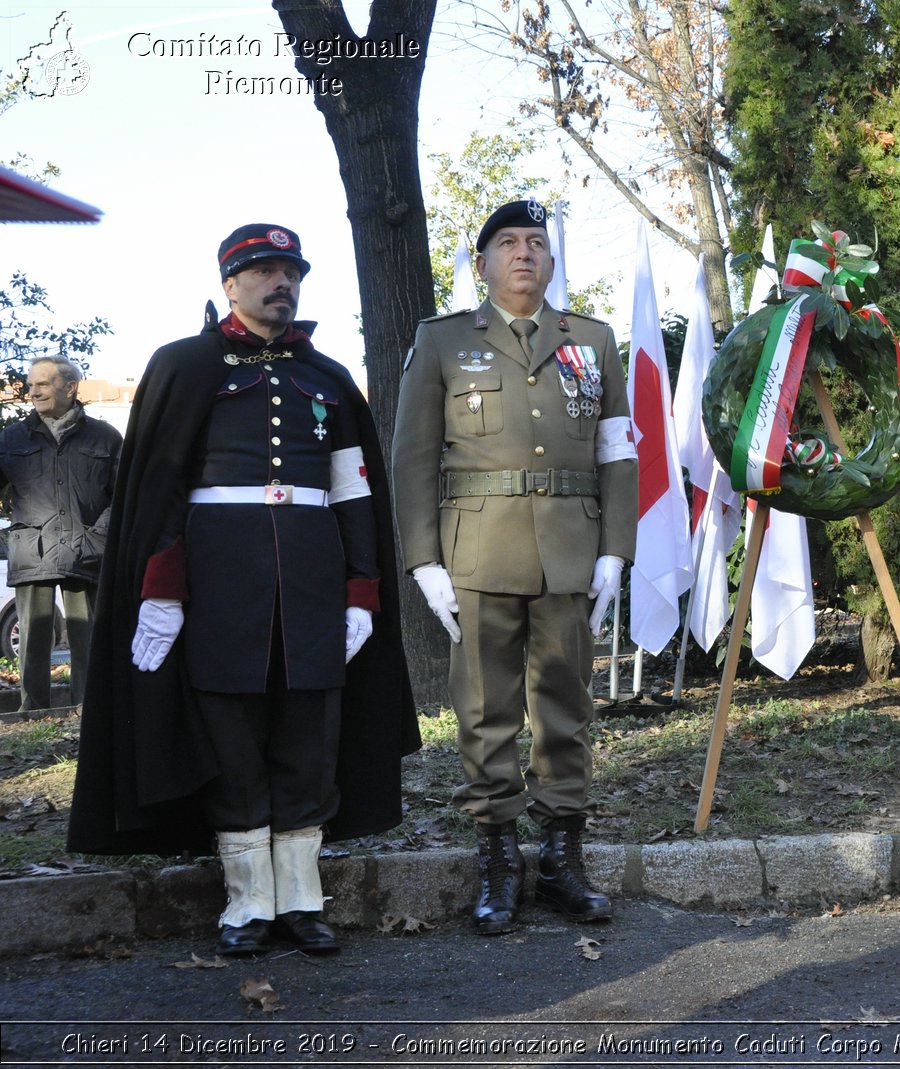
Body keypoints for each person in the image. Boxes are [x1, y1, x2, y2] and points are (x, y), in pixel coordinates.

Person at [67, 224, 419, 955]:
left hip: (314, 588)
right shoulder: (184, 365)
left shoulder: (326, 378)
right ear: (230, 283)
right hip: (221, 589)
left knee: (310, 744)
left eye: (289, 270)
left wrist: (362, 592)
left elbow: (354, 491)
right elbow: (158, 491)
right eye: (261, 270)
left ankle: (301, 898)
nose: (278, 282)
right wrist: (161, 591)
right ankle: (248, 902)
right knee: (231, 742)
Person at [393, 199, 636, 934]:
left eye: (536, 242)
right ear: (482, 265)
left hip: (570, 547)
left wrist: (616, 550)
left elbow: (617, 448)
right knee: (486, 710)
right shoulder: (441, 343)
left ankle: (563, 855)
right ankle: (498, 857)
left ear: (552, 262)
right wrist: (423, 560)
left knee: (566, 706)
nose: (524, 253)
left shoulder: (591, 341)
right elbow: (412, 458)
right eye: (507, 243)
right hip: (477, 551)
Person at [0, 356, 121, 711]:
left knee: (87, 636)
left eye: (42, 384)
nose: (32, 391)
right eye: (31, 384)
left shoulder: (106, 436)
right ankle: (31, 711)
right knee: (34, 635)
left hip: (86, 550)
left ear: (70, 388)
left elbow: (125, 494)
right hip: (31, 549)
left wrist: (99, 536)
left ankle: (88, 710)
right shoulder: (11, 436)